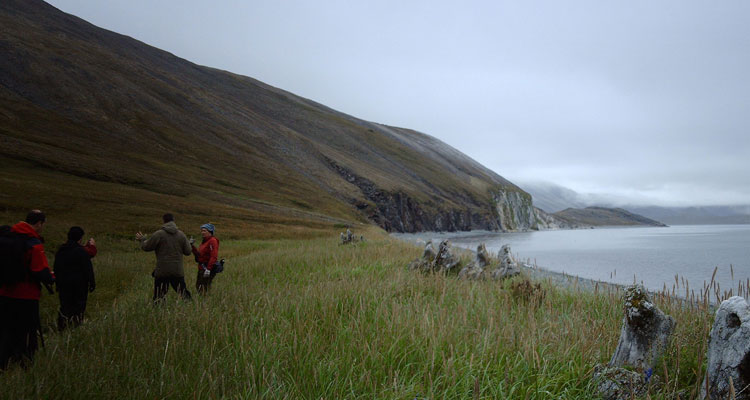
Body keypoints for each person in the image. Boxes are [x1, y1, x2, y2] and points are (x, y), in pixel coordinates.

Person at [0, 210, 55, 369]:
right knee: (27, 331)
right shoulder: (33, 243)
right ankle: (25, 364)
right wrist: (51, 277)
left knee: (6, 329)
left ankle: (4, 363)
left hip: (4, 293)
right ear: (39, 223)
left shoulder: (8, 237)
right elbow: (40, 271)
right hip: (27, 296)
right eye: (43, 224)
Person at [136, 213, 192, 304]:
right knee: (183, 293)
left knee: (159, 296)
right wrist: (189, 244)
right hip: (177, 270)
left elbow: (147, 247)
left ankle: (159, 313)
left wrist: (142, 240)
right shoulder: (181, 235)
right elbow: (188, 252)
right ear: (173, 220)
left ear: (164, 221)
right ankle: (191, 308)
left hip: (162, 271)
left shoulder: (159, 234)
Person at [53, 226, 96, 331]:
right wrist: (92, 283)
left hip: (64, 285)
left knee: (65, 306)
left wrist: (57, 283)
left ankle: (62, 328)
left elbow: (56, 267)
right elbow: (88, 269)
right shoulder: (81, 252)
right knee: (78, 308)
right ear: (80, 238)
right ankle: (75, 328)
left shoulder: (61, 250)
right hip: (79, 285)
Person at [191, 223, 219, 295]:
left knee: (203, 287)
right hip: (201, 267)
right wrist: (191, 246)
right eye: (202, 231)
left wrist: (208, 269)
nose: (202, 232)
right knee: (200, 287)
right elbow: (199, 255)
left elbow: (214, 256)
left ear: (210, 232)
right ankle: (204, 301)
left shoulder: (212, 241)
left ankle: (205, 303)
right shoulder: (205, 241)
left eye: (204, 231)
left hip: (206, 268)